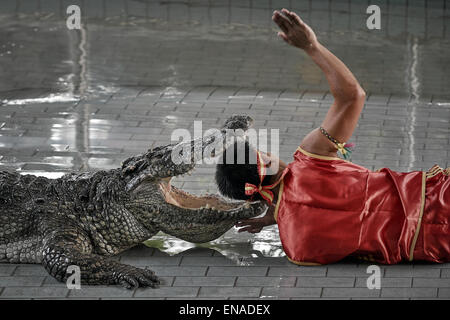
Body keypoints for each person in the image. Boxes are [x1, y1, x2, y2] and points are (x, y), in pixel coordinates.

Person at [215, 9, 450, 265]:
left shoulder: (297, 247)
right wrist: (312, 47)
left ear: (252, 195)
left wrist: (280, 215)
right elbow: (352, 95)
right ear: (265, 159)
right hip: (437, 195)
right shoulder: (311, 158)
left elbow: (318, 212)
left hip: (433, 245)